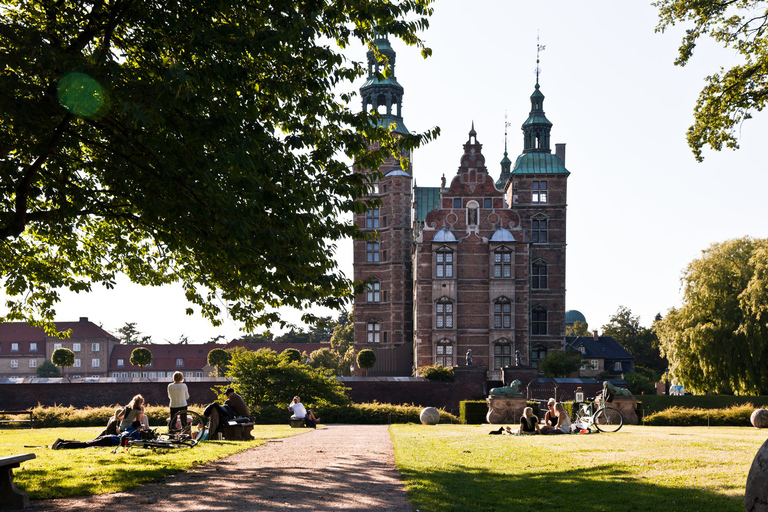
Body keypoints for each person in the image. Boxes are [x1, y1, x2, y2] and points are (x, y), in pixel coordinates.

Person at [53, 420, 143, 450]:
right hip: (111, 441)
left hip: (109, 437)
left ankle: (63, 441)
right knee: (86, 445)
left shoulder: (128, 429)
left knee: (87, 443)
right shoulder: (135, 432)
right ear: (138, 427)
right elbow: (138, 441)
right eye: (140, 427)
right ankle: (63, 446)